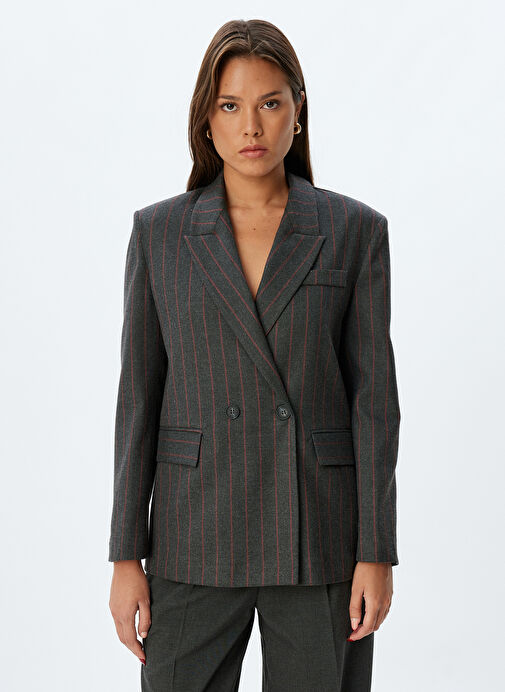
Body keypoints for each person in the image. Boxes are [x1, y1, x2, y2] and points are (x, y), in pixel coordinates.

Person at [108, 18, 401, 692]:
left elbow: (374, 405)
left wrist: (376, 550)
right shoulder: (160, 234)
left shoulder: (353, 231)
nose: (251, 126)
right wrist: (126, 555)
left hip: (318, 532)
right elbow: (137, 403)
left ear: (298, 111)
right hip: (194, 530)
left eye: (270, 103)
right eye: (229, 105)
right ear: (206, 120)